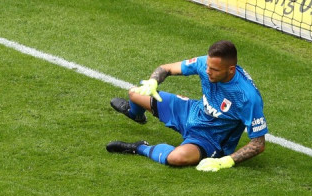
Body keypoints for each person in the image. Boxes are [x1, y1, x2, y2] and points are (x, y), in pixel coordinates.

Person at [106, 40, 267, 171]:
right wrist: (153, 81)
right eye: (207, 66)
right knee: (135, 93)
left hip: (210, 139)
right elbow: (167, 68)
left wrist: (226, 161)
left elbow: (258, 144)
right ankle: (135, 114)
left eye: (214, 69)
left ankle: (139, 148)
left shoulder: (247, 98)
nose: (207, 71)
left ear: (231, 70)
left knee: (177, 157)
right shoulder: (206, 64)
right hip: (192, 112)